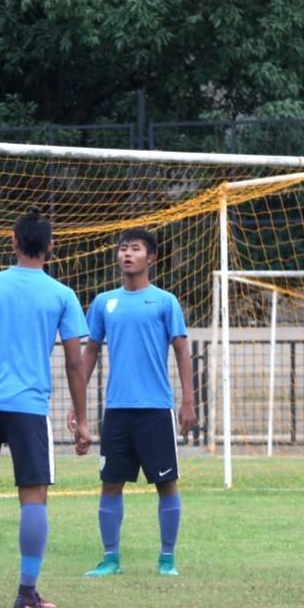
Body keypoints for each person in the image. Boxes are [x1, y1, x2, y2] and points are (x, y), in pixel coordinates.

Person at [0, 209, 90, 608]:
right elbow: (75, 363)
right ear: (51, 247)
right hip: (28, 407)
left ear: (13, 242)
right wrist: (83, 419)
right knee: (34, 497)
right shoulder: (62, 295)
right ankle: (26, 592)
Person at [75, 228, 194, 578]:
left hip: (156, 409)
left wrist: (188, 401)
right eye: (123, 248)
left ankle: (167, 559)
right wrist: (77, 401)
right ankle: (110, 558)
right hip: (117, 410)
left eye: (135, 249)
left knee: (166, 483)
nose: (127, 254)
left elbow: (182, 349)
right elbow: (91, 350)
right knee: (110, 482)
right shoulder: (103, 302)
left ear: (150, 258)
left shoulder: (165, 301)